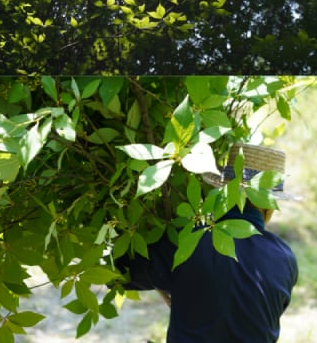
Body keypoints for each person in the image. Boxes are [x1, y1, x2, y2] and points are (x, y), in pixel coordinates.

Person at [115, 144, 298, 343]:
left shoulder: (188, 240)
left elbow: (120, 272)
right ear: (269, 206)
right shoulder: (285, 259)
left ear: (221, 192)